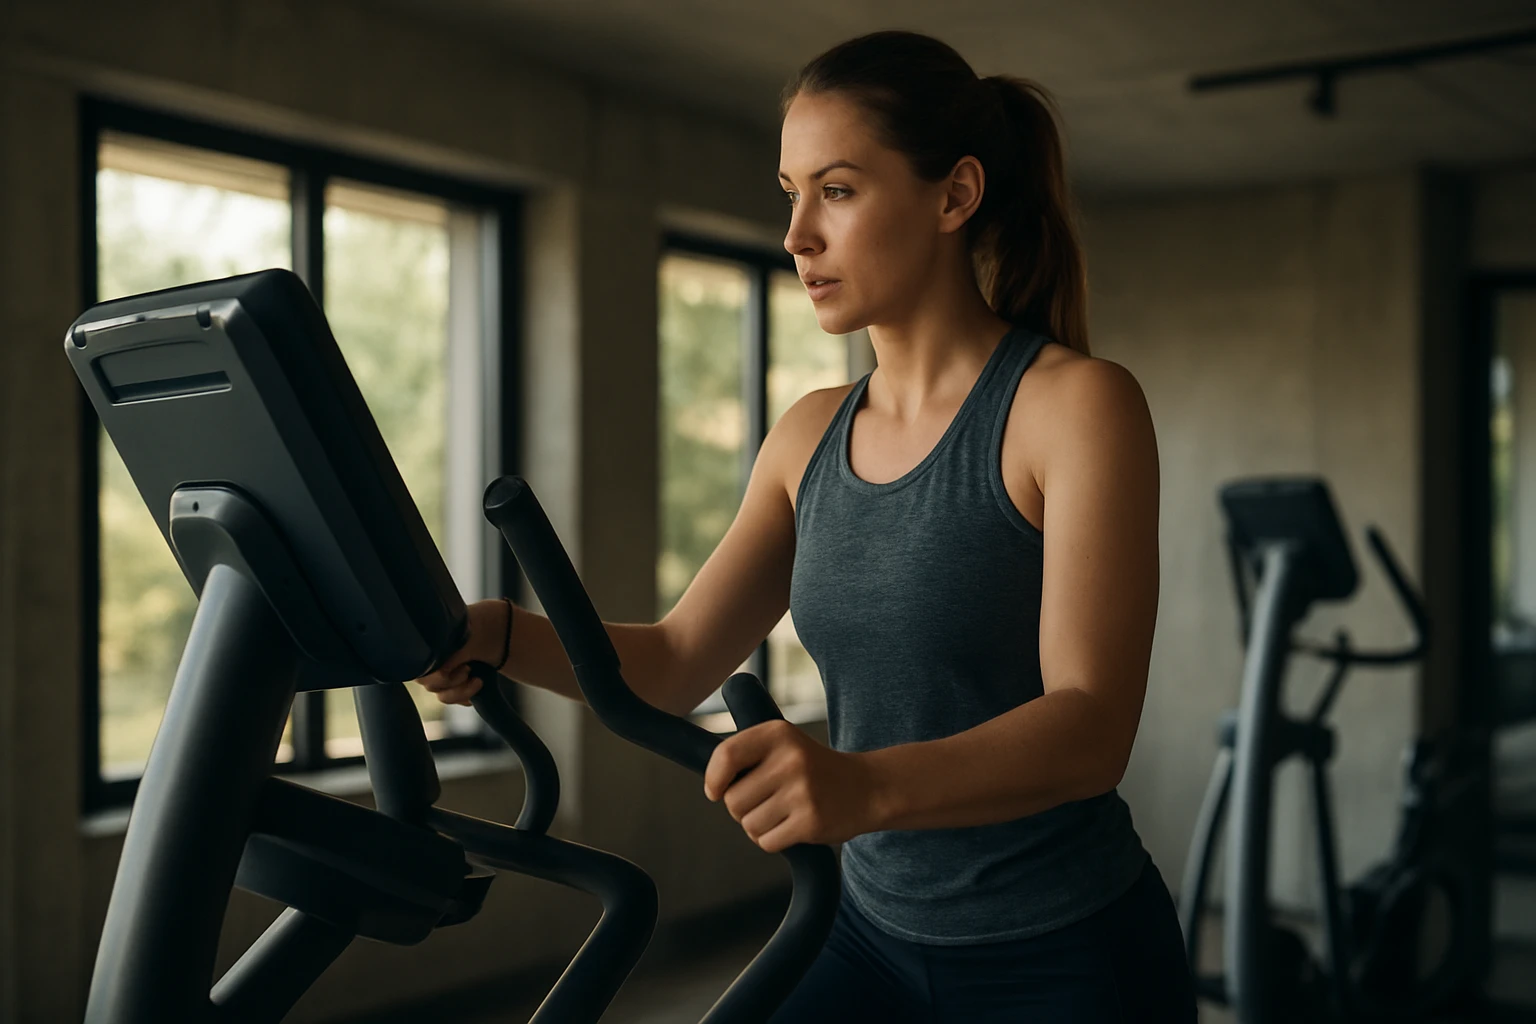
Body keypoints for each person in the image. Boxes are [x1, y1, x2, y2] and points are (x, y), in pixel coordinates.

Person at [417, 29, 1195, 1023]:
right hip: (870, 934)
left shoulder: (1074, 407)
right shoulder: (809, 435)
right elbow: (673, 661)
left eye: (836, 189)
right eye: (791, 192)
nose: (796, 235)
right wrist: (499, 632)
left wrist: (861, 787)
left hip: (1061, 953)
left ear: (954, 196)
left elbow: (1091, 725)